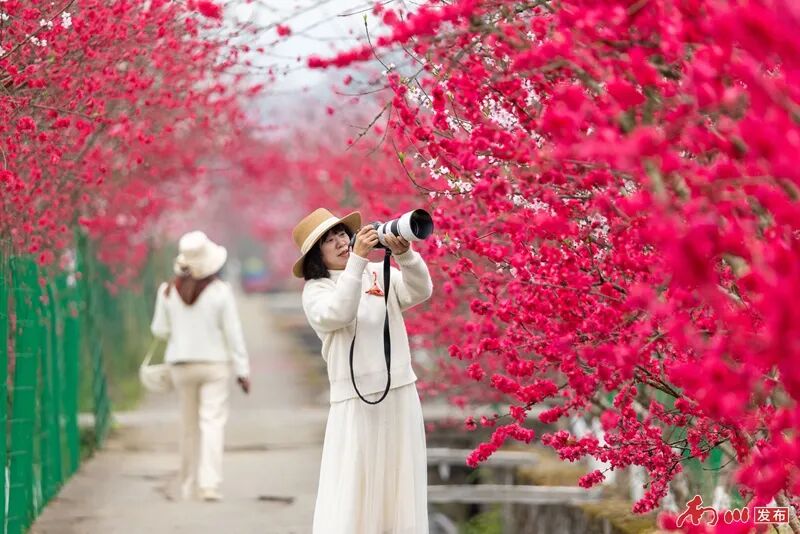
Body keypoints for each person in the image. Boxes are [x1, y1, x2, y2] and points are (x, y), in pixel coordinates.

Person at [292, 207, 433, 534]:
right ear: (317, 255)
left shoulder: (376, 272)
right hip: (354, 400)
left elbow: (420, 291)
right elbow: (339, 313)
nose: (340, 242)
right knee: (357, 480)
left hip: (399, 390)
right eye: (329, 240)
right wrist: (357, 261)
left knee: (400, 477)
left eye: (341, 233)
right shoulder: (317, 291)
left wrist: (405, 255)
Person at [150, 230, 251, 502]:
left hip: (181, 365)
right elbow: (233, 333)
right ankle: (209, 485)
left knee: (188, 427)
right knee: (212, 423)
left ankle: (187, 485)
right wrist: (242, 370)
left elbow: (159, 329)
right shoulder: (220, 292)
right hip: (214, 364)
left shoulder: (167, 291)